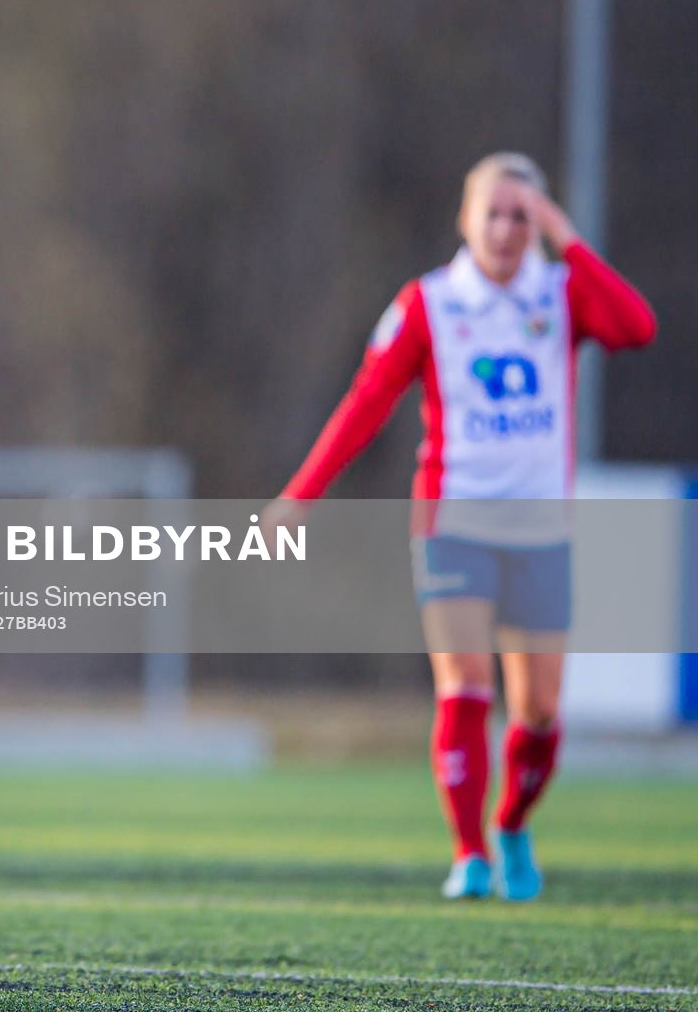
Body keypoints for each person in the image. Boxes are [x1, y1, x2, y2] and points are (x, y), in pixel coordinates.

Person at [267, 152, 656, 902]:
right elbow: (367, 400)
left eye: (523, 215)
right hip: (453, 523)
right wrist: (300, 495)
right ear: (465, 219)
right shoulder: (432, 302)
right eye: (494, 213)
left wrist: (569, 241)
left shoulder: (560, 290)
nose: (507, 230)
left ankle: (511, 823)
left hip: (541, 529)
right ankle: (469, 852)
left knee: (539, 709)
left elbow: (636, 327)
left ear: (539, 223)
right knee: (465, 686)